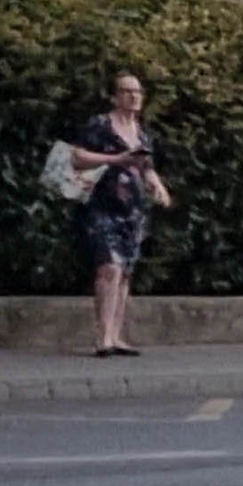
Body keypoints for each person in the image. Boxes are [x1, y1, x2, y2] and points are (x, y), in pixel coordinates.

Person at [71, 72, 172, 357]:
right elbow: (77, 157)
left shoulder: (140, 132)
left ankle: (116, 336)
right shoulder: (101, 125)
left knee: (125, 272)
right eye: (127, 91)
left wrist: (158, 186)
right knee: (109, 268)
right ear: (115, 96)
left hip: (133, 211)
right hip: (102, 206)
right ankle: (102, 338)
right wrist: (116, 160)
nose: (134, 96)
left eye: (138, 91)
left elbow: (145, 166)